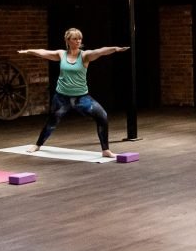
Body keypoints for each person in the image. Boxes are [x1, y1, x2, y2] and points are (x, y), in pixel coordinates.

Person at [18, 28, 128, 158]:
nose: (78, 41)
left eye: (79, 38)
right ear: (68, 41)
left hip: (81, 98)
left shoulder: (85, 55)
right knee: (52, 121)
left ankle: (105, 150)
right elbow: (44, 53)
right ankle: (37, 145)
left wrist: (115, 49)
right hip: (61, 98)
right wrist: (29, 51)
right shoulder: (61, 54)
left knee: (102, 116)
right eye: (75, 38)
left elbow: (100, 52)